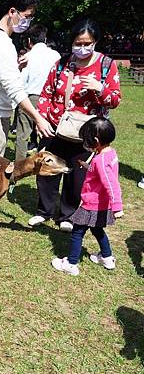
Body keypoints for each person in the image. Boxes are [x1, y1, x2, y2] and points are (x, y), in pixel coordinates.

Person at [29, 19, 121, 232]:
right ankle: (43, 211)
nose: (82, 47)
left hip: (86, 134)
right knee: (46, 171)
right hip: (54, 126)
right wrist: (40, 119)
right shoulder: (62, 63)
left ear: (95, 42)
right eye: (78, 43)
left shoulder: (106, 65)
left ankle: (67, 215)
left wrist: (100, 89)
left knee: (76, 174)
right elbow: (46, 93)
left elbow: (115, 100)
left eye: (86, 43)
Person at [0, 0, 54, 157]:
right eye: (27, 16)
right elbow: (14, 89)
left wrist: (16, 68)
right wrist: (38, 118)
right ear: (12, 12)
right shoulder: (2, 43)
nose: (29, 22)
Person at [51, 117, 123, 276]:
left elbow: (111, 183)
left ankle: (71, 263)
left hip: (91, 205)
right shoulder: (110, 153)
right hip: (101, 204)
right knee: (98, 230)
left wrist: (117, 207)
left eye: (86, 140)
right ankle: (107, 257)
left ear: (96, 140)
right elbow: (102, 173)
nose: (85, 143)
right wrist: (88, 167)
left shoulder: (100, 160)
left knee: (77, 233)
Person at [15, 25, 60, 160]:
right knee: (47, 133)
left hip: (30, 97)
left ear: (29, 41)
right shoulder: (55, 55)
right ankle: (45, 161)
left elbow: (21, 80)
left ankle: (20, 165)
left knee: (23, 134)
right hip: (51, 98)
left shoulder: (28, 56)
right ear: (45, 39)